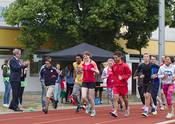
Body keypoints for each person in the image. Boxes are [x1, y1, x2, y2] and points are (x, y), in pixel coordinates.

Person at [110, 51, 131, 118]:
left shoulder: (125, 65)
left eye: (116, 58)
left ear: (120, 57)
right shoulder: (113, 66)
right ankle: (115, 111)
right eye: (114, 58)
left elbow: (129, 74)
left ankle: (127, 108)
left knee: (125, 99)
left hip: (123, 85)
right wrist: (113, 79)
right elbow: (113, 73)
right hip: (116, 85)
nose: (115, 59)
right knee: (115, 97)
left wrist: (122, 77)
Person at [135, 53, 154, 117]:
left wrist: (155, 75)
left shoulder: (152, 65)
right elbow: (137, 72)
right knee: (145, 96)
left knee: (147, 95)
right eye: (145, 57)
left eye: (147, 56)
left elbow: (159, 71)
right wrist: (140, 75)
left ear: (149, 58)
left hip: (151, 82)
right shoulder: (141, 65)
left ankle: (146, 111)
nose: (146, 58)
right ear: (143, 58)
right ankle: (153, 106)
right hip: (144, 82)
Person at [81, 51, 99, 117]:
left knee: (91, 97)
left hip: (91, 81)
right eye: (84, 56)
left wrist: (93, 70)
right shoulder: (82, 63)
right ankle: (88, 105)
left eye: (86, 56)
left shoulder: (93, 62)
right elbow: (81, 71)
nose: (85, 57)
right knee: (83, 96)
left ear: (89, 56)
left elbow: (98, 72)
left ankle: (93, 110)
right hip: (84, 81)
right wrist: (79, 71)